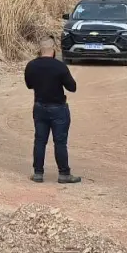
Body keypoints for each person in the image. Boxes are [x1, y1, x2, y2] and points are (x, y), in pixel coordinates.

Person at [23, 38, 81, 184]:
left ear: (40, 49)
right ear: (54, 49)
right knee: (60, 142)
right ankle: (64, 173)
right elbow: (72, 87)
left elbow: (29, 85)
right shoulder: (60, 66)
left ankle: (38, 173)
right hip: (58, 108)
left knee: (40, 141)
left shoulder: (31, 65)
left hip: (39, 107)